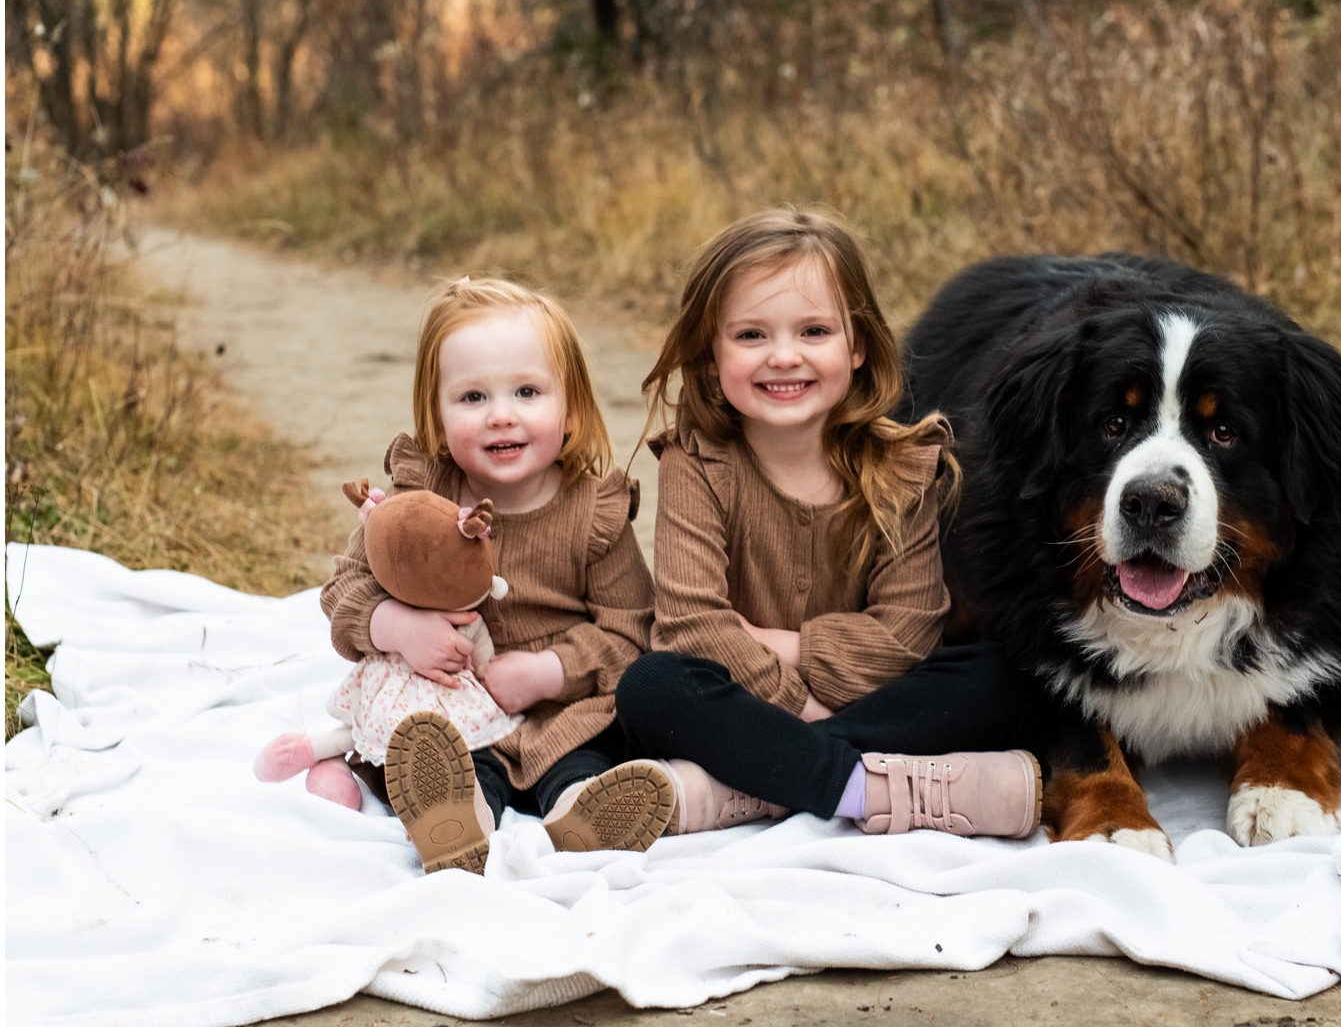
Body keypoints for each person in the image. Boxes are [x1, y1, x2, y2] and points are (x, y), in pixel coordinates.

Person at [594, 208, 1040, 845]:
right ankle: (871, 788)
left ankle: (742, 788)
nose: (783, 357)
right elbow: (693, 628)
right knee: (654, 687)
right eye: (750, 335)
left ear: (855, 345)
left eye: (814, 330)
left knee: (999, 676)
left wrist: (783, 645)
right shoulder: (698, 463)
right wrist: (800, 706)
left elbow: (908, 636)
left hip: (852, 699)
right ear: (711, 348)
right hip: (738, 696)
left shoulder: (900, 466)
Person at [319, 277, 657, 874]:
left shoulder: (595, 515)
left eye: (528, 392)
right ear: (437, 411)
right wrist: (394, 625)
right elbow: (344, 587)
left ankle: (587, 819)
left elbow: (633, 633)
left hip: (562, 716)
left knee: (583, 762)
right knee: (451, 764)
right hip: (454, 712)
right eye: (472, 398)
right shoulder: (420, 495)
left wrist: (552, 671)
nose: (502, 416)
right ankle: (455, 824)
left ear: (570, 405)